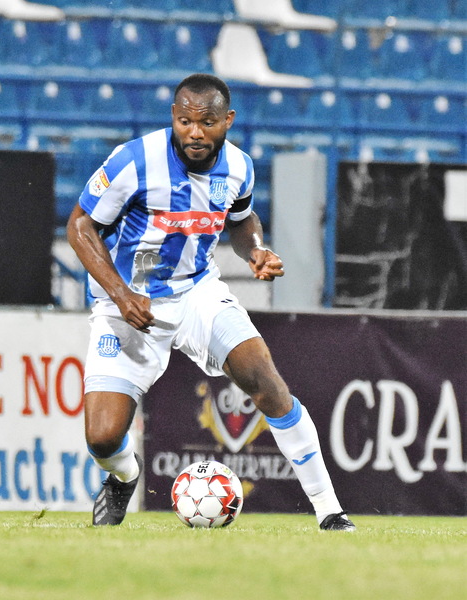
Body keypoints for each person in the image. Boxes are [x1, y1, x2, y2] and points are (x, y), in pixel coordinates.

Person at [67, 73, 355, 531]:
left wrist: (255, 249)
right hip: (129, 303)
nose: (195, 133)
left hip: (197, 292)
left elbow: (241, 219)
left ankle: (330, 511)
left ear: (228, 120)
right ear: (173, 117)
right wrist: (120, 295)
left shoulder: (239, 166)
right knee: (102, 438)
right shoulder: (134, 160)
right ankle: (124, 476)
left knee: (266, 381)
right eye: (185, 122)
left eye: (207, 122)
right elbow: (81, 225)